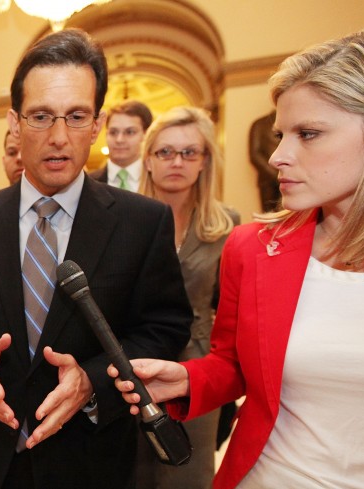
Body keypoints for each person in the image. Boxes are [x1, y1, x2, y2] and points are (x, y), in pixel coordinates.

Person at [110, 21, 364, 489]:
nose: (278, 155)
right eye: (282, 133)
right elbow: (239, 364)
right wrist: (188, 378)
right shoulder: (255, 247)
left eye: (308, 133)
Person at [0, 28, 191, 489]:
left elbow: (163, 328)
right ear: (14, 123)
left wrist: (93, 382)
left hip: (91, 459)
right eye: (40, 116)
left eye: (75, 117)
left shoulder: (142, 222)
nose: (58, 137)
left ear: (97, 124)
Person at [136, 106, 239, 489]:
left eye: (188, 152)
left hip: (198, 363)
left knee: (189, 472)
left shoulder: (227, 226)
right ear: (148, 160)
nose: (176, 162)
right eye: (165, 152)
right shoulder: (126, 220)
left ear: (204, 161)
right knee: (136, 469)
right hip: (136, 361)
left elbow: (232, 311)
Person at [89, 100, 153, 192]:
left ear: (145, 135)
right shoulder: (87, 184)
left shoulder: (157, 179)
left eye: (130, 132)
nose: (119, 140)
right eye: (113, 132)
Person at [248, 110, 280, 212]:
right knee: (269, 218)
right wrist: (275, 175)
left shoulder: (292, 121)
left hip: (291, 177)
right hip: (268, 181)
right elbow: (255, 155)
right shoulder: (259, 124)